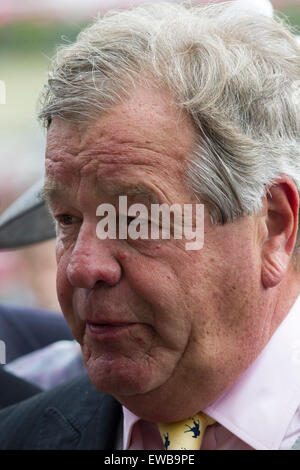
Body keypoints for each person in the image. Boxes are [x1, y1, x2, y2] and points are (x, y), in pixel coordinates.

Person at [0, 0, 299, 450]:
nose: (81, 267)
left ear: (273, 227)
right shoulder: (20, 436)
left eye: (135, 219)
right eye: (65, 219)